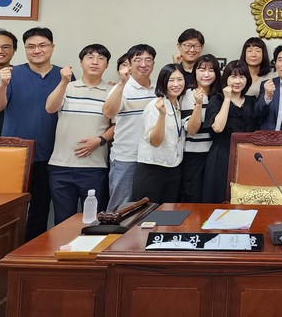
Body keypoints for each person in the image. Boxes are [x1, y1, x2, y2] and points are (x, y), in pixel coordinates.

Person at [0, 26, 70, 240]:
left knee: (40, 211)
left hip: (50, 155)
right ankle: (6, 251)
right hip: (15, 155)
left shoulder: (64, 76)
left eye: (42, 45)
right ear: (24, 49)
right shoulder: (11, 73)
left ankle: (31, 252)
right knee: (8, 210)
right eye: (31, 46)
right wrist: (2, 85)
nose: (37, 50)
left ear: (52, 47)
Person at [46, 44, 113, 224]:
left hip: (95, 167)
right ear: (81, 62)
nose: (95, 62)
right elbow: (50, 108)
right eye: (90, 57)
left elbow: (118, 124)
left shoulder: (112, 92)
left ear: (107, 65)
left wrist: (99, 140)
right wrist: (63, 82)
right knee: (62, 221)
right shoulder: (67, 87)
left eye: (101, 58)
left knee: (94, 222)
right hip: (61, 166)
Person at [103, 44, 157, 211]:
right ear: (130, 64)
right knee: (120, 208)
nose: (143, 64)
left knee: (145, 208)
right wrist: (121, 83)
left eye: (148, 60)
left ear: (153, 64)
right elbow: (108, 113)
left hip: (151, 159)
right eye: (138, 60)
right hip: (126, 158)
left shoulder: (158, 90)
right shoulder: (121, 88)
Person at [202, 60, 259, 203]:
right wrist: (227, 99)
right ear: (226, 78)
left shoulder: (252, 101)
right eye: (233, 76)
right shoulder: (216, 99)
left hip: (247, 156)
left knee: (245, 199)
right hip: (222, 155)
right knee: (220, 197)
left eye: (242, 77)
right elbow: (218, 127)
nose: (237, 81)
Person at [134, 63, 188, 203]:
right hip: (152, 169)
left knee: (168, 213)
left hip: (173, 167)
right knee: (148, 214)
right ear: (163, 82)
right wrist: (162, 115)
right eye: (171, 80)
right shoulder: (155, 105)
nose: (176, 84)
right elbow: (155, 141)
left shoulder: (177, 104)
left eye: (180, 79)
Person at [179, 54, 221, 203]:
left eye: (211, 70)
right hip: (194, 156)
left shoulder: (219, 95)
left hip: (214, 155)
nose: (206, 74)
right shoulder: (188, 95)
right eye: (202, 70)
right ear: (194, 72)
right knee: (194, 197)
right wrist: (198, 104)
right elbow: (191, 130)